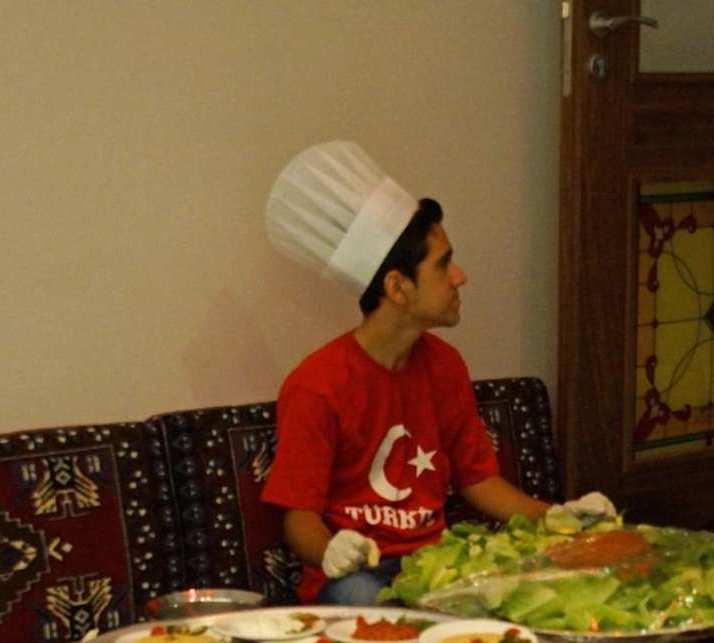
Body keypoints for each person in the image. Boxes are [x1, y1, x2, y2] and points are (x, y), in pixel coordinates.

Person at [260, 142, 615, 605]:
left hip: (436, 566)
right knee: (367, 599)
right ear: (398, 288)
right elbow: (298, 518)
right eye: (444, 263)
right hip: (357, 578)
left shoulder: (445, 365)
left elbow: (479, 481)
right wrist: (331, 550)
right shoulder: (317, 384)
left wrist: (558, 518)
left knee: (535, 587)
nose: (460, 276)